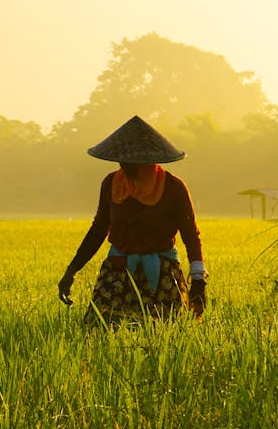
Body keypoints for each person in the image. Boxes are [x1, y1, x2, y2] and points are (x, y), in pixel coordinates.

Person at [57, 115, 207, 322]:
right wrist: (71, 271)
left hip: (161, 273)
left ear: (149, 161)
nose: (124, 166)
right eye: (121, 160)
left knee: (162, 333)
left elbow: (191, 235)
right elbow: (98, 229)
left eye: (131, 162)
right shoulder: (112, 183)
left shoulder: (173, 188)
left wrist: (198, 280)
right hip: (117, 270)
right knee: (98, 328)